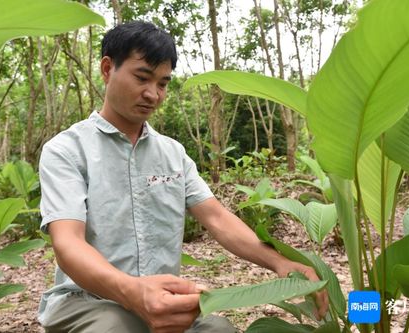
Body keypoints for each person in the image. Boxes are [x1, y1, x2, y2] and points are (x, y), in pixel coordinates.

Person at [37, 21, 328, 333]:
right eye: (142, 78)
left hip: (165, 301)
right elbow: (67, 243)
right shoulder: (66, 150)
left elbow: (217, 218)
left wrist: (281, 262)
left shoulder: (173, 154)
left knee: (219, 329)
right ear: (108, 69)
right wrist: (135, 293)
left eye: (163, 84)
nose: (153, 94)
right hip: (87, 301)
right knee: (116, 327)